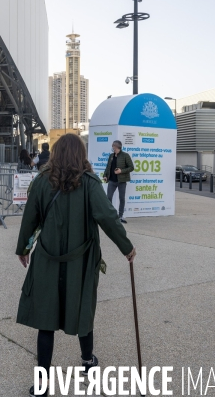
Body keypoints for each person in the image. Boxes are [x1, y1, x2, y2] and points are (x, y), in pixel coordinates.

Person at [15, 134, 136, 397]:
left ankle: (42, 385)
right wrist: (127, 247)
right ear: (80, 154)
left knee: (45, 320)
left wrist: (23, 249)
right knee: (83, 310)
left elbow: (29, 220)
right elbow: (108, 217)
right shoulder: (90, 183)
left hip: (47, 259)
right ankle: (87, 361)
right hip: (80, 261)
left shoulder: (41, 181)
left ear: (56, 153)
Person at [103, 140, 134, 224]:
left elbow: (131, 167)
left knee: (122, 198)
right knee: (108, 197)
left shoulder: (125, 155)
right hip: (112, 180)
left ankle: (120, 216)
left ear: (119, 147)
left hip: (122, 181)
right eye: (113, 147)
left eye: (115, 147)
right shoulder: (111, 156)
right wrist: (105, 176)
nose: (114, 149)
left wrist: (121, 171)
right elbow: (108, 167)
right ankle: (110, 215)